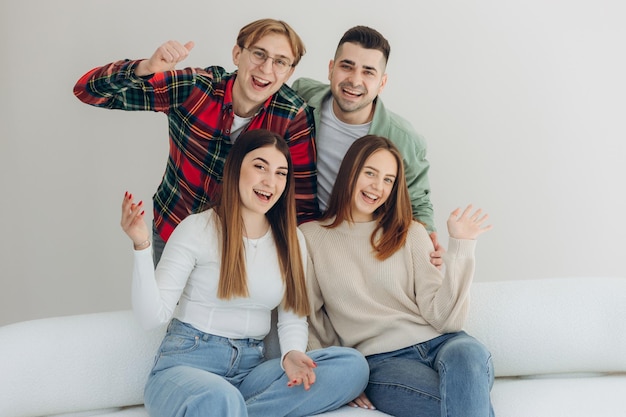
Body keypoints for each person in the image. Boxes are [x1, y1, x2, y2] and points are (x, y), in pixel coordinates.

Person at [120, 129, 368, 417]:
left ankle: (230, 411)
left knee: (351, 366)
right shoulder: (197, 229)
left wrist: (291, 354)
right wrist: (141, 245)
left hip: (249, 372)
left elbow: (291, 318)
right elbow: (152, 316)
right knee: (220, 397)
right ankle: (223, 409)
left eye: (280, 173)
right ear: (236, 167)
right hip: (186, 366)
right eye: (260, 166)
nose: (270, 182)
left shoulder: (291, 239)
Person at [75, 18, 318, 265]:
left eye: (280, 62)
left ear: (290, 72)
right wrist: (146, 67)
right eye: (259, 54)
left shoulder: (292, 117)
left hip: (240, 248)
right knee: (167, 305)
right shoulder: (194, 89)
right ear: (237, 54)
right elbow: (87, 91)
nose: (266, 69)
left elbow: (301, 204)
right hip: (174, 228)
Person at [300, 135, 495, 417]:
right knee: (462, 401)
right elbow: (309, 318)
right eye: (370, 173)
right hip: (383, 361)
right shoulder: (310, 238)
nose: (377, 187)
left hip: (446, 344)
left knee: (468, 359)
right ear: (349, 172)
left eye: (389, 180)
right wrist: (340, 376)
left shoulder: (411, 233)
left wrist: (461, 247)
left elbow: (445, 318)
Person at [292, 25, 444, 265]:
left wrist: (425, 247)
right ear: (331, 69)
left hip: (363, 249)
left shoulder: (403, 139)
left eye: (368, 72)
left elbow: (417, 203)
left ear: (382, 83)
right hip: (301, 233)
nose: (354, 80)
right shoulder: (302, 95)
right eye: (346, 66)